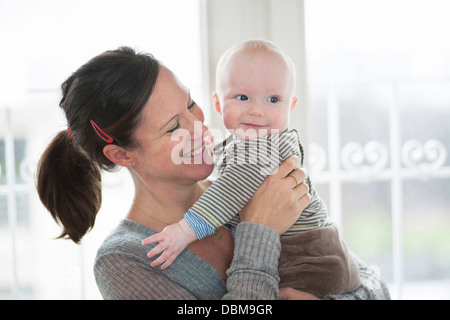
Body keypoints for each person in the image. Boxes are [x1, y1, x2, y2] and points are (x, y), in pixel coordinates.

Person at [36, 46, 390, 300]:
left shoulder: (250, 179)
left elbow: (372, 284)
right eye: (175, 125)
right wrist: (260, 230)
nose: (199, 126)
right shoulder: (124, 263)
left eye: (190, 103)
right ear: (121, 154)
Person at [142, 40, 361, 298]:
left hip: (307, 259)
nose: (257, 110)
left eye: (273, 99)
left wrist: (183, 231)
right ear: (218, 103)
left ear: (290, 106)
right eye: (243, 97)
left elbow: (227, 194)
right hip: (322, 256)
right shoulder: (245, 144)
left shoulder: (263, 147)